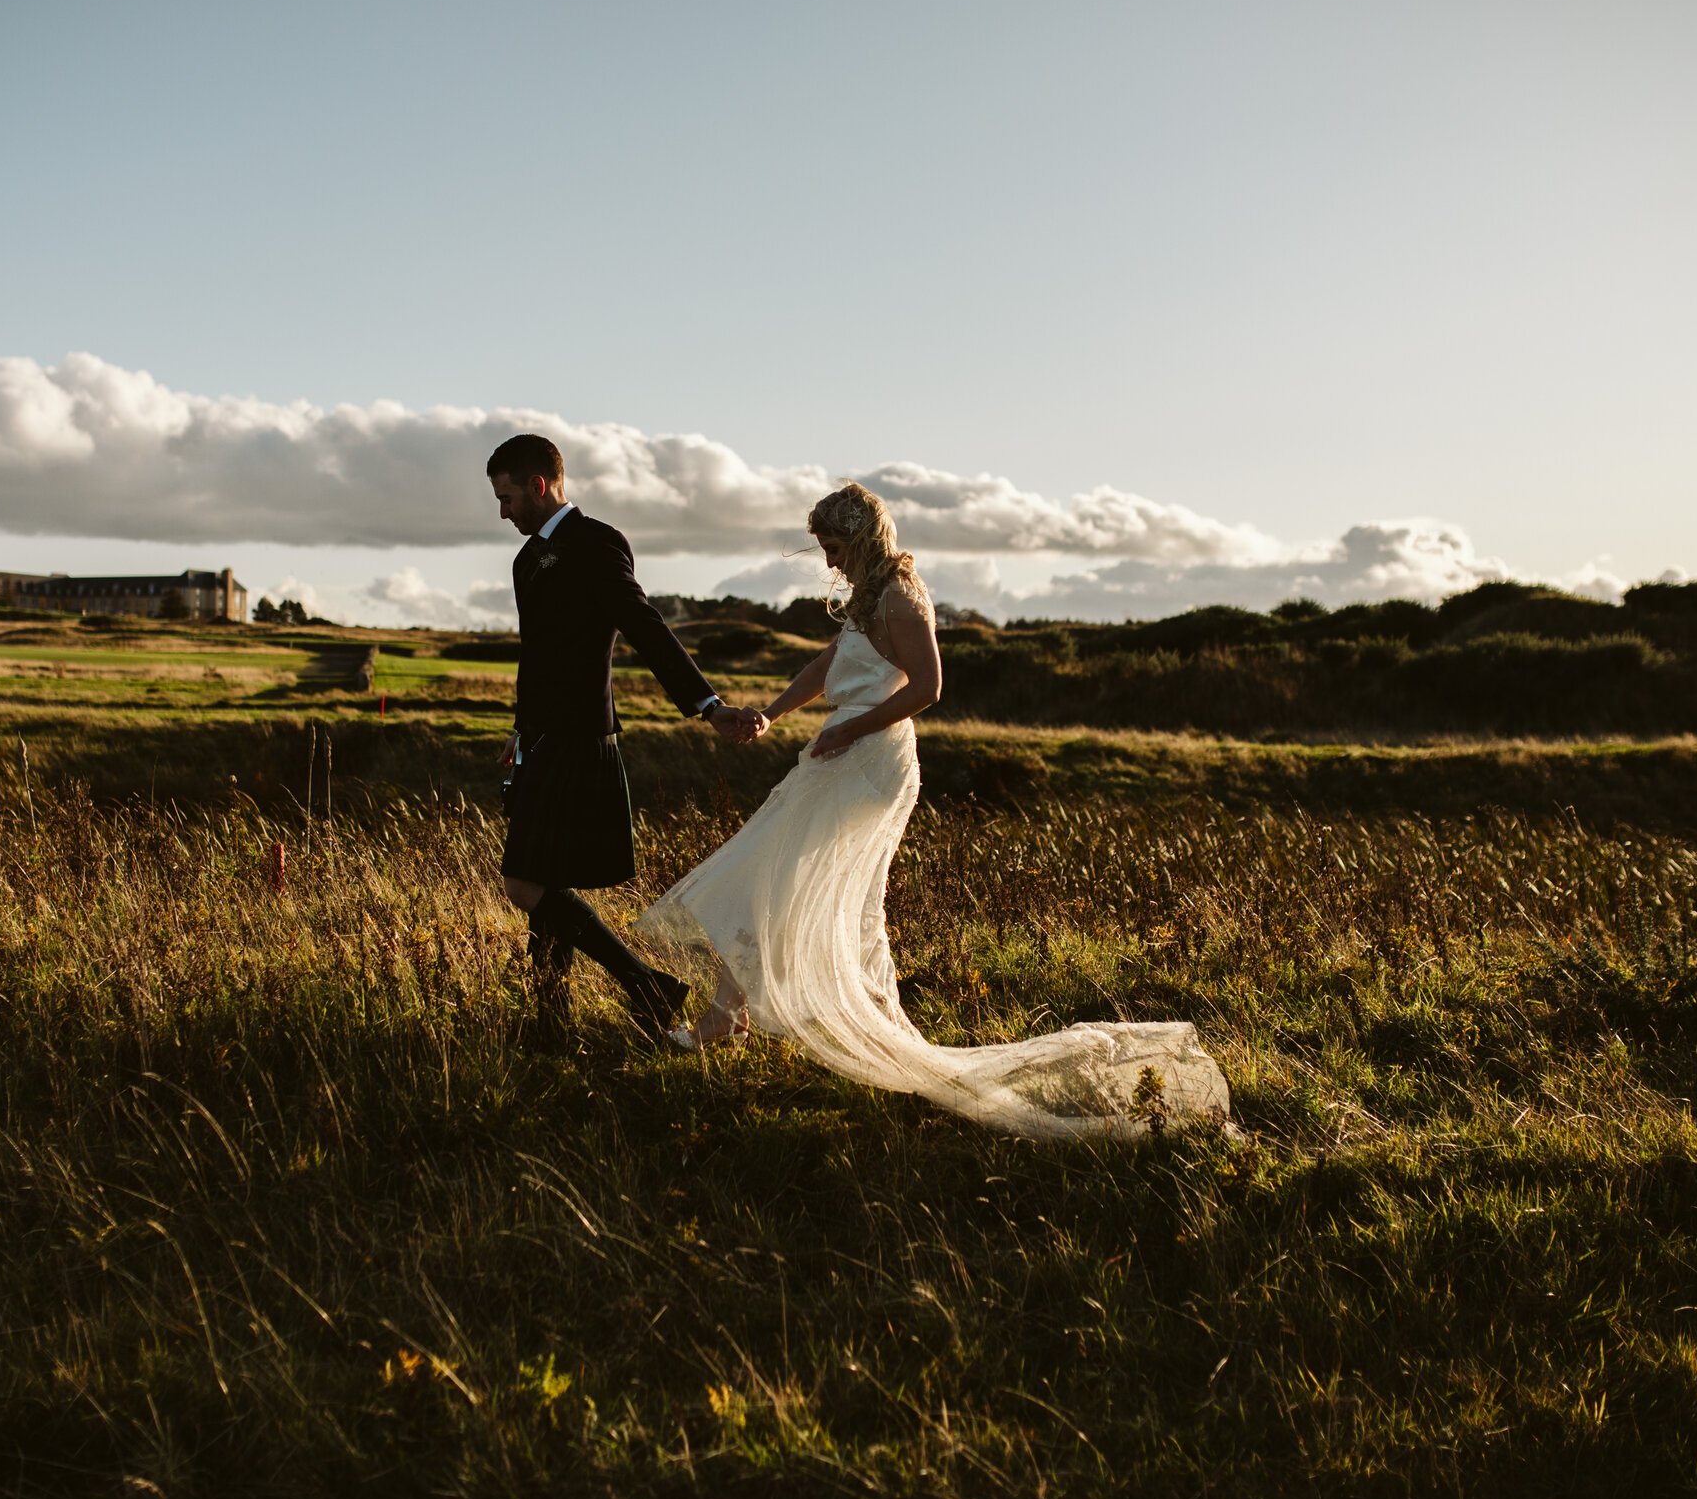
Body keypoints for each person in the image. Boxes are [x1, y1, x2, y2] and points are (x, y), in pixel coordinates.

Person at [638, 483, 1230, 1139]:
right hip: (841, 750)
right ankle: (732, 1010)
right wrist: (772, 714)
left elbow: (929, 686)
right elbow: (828, 663)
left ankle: (733, 1014)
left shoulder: (899, 594)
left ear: (859, 537)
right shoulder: (867, 597)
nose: (830, 562)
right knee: (773, 873)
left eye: (834, 547)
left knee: (776, 872)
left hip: (870, 760)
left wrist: (853, 729)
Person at [487, 432, 767, 1040]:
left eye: (507, 497)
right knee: (546, 877)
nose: (502, 511)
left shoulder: (597, 543)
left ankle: (646, 984)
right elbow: (535, 657)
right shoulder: (525, 560)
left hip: (580, 738)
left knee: (524, 882)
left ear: (540, 485)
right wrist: (519, 729)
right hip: (540, 738)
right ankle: (552, 1021)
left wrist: (707, 705)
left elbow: (645, 626)